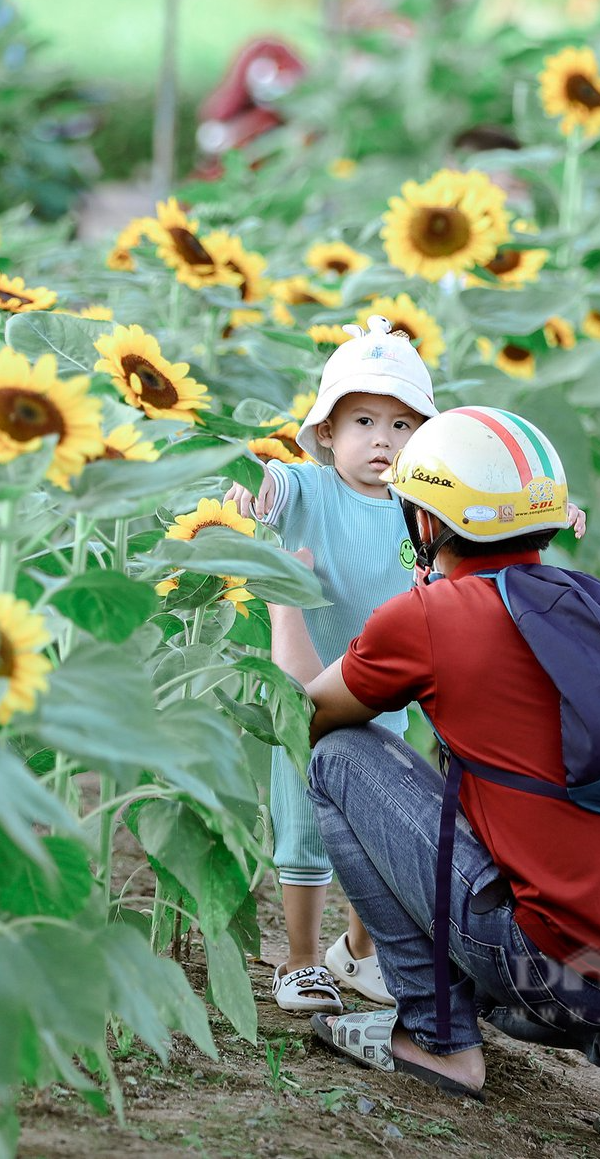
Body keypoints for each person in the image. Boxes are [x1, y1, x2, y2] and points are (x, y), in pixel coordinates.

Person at [297, 407, 600, 1158]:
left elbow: (315, 713)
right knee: (562, 901)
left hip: (544, 967)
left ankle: (437, 1037)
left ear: (427, 521)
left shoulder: (430, 615)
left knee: (340, 762)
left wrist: (284, 596)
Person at [224, 317, 438, 1015]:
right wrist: (248, 490)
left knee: (377, 833)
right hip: (307, 693)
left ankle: (362, 953)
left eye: (404, 425)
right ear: (326, 433)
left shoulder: (422, 506)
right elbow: (266, 486)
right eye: (365, 421)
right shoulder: (309, 490)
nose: (383, 439)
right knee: (306, 829)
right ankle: (300, 959)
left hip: (389, 695)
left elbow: (495, 512)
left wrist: (554, 507)